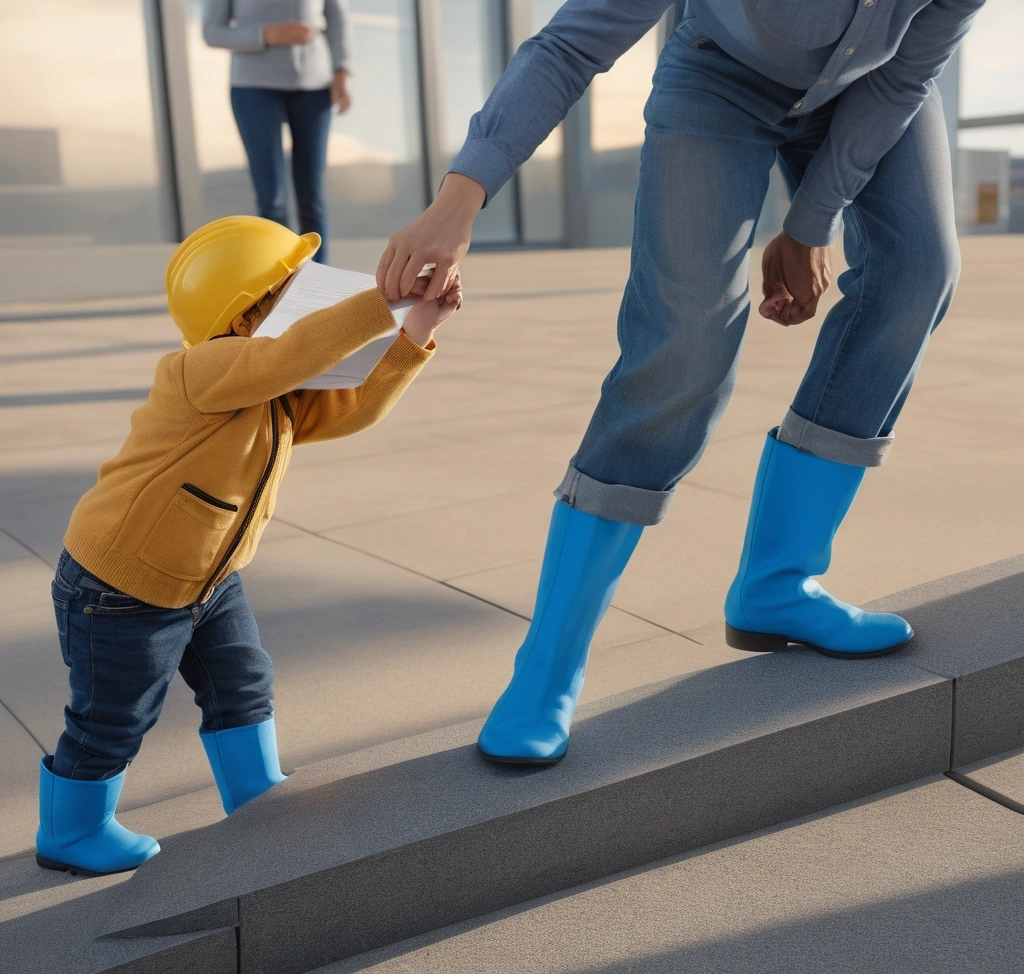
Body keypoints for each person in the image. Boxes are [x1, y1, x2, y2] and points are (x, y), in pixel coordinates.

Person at [377, 0, 983, 765]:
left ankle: (778, 585)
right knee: (686, 343)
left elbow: (903, 74)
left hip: (871, 87)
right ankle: (547, 667)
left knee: (918, 271)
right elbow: (570, 46)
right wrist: (459, 198)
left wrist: (810, 223)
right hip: (719, 86)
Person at [37, 215, 460, 876]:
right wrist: (381, 302)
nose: (306, 304)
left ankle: (254, 791)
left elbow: (353, 405)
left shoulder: (273, 392)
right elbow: (292, 353)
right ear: (240, 319)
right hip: (122, 587)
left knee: (241, 683)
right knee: (114, 717)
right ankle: (72, 829)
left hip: (209, 578)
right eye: (289, 294)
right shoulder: (199, 372)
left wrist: (417, 328)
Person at [203, 0, 354, 264]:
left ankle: (319, 282)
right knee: (271, 198)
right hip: (252, 86)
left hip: (316, 86)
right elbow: (212, 31)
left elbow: (338, 19)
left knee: (312, 196)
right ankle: (278, 284)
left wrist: (342, 71)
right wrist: (266, 34)